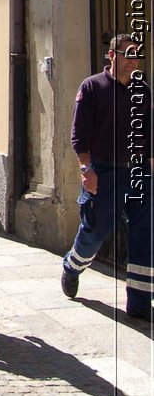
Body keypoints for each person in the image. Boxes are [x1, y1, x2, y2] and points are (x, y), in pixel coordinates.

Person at [61, 34, 153, 319]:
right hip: (103, 169)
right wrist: (86, 169)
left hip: (138, 172)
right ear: (112, 56)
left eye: (137, 54)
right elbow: (79, 135)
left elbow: (149, 136)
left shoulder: (143, 90)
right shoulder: (92, 87)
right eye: (128, 54)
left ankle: (139, 303)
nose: (133, 60)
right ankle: (73, 266)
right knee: (96, 230)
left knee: (144, 234)